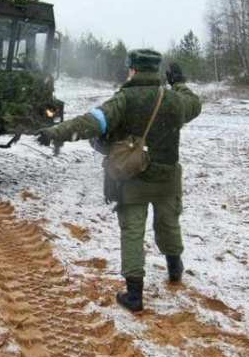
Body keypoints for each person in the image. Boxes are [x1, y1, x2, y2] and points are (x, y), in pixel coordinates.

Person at [37, 51, 202, 312]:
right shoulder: (174, 100)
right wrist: (179, 83)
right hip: (168, 178)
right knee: (169, 224)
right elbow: (195, 104)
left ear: (133, 70)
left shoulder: (124, 99)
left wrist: (55, 132)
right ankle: (175, 268)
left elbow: (91, 122)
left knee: (132, 232)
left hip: (133, 178)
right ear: (156, 71)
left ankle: (134, 295)